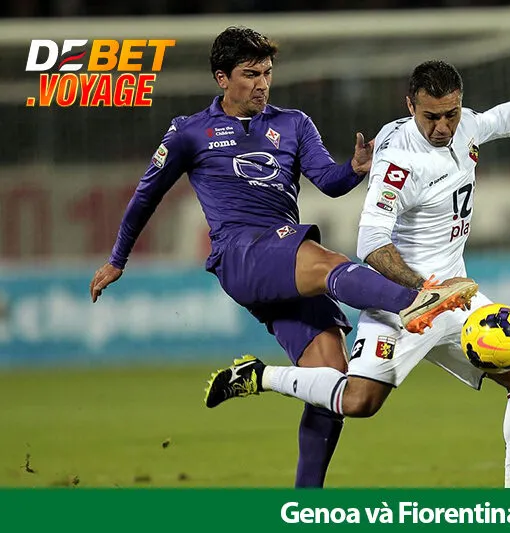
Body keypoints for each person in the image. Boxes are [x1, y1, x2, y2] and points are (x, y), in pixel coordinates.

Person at [88, 27, 477, 488]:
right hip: (241, 253)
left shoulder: (294, 124)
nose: (262, 84)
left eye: (267, 73)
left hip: (284, 261)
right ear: (222, 78)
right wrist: (118, 259)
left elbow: (327, 181)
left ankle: (304, 502)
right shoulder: (190, 132)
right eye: (250, 74)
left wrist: (354, 169)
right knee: (326, 262)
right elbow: (145, 195)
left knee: (330, 383)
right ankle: (418, 300)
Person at [205, 59, 510, 488]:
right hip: (404, 303)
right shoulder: (398, 163)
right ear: (410, 106)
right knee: (359, 401)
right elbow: (371, 244)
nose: (443, 127)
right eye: (431, 117)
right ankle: (259, 376)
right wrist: (423, 290)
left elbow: (505, 116)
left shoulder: (466, 126)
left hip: (455, 296)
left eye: (451, 114)